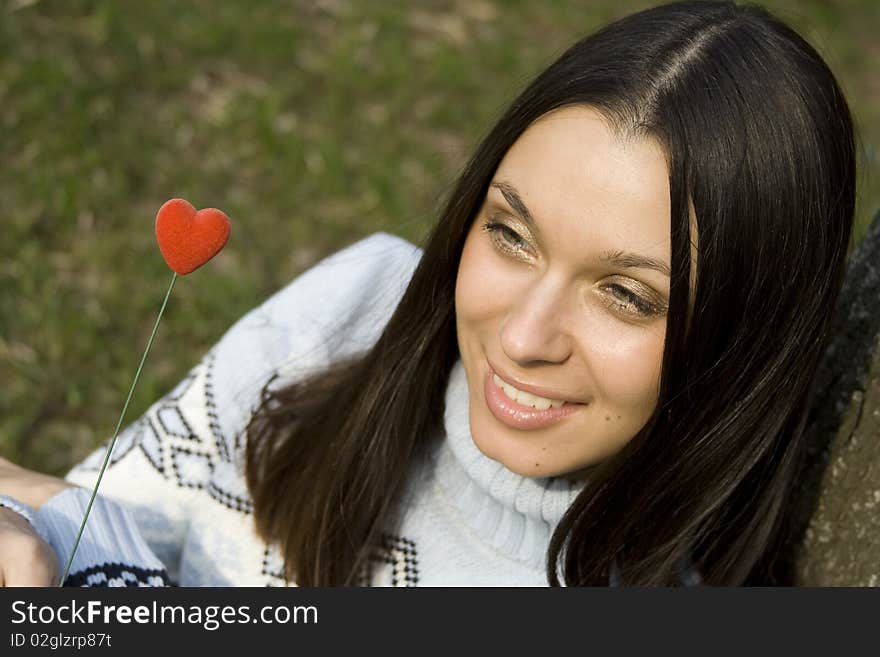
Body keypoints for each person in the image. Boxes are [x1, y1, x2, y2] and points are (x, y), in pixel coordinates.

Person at [0, 0, 856, 586]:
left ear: (745, 344)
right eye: (511, 235)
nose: (523, 336)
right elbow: (97, 521)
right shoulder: (356, 307)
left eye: (626, 295)